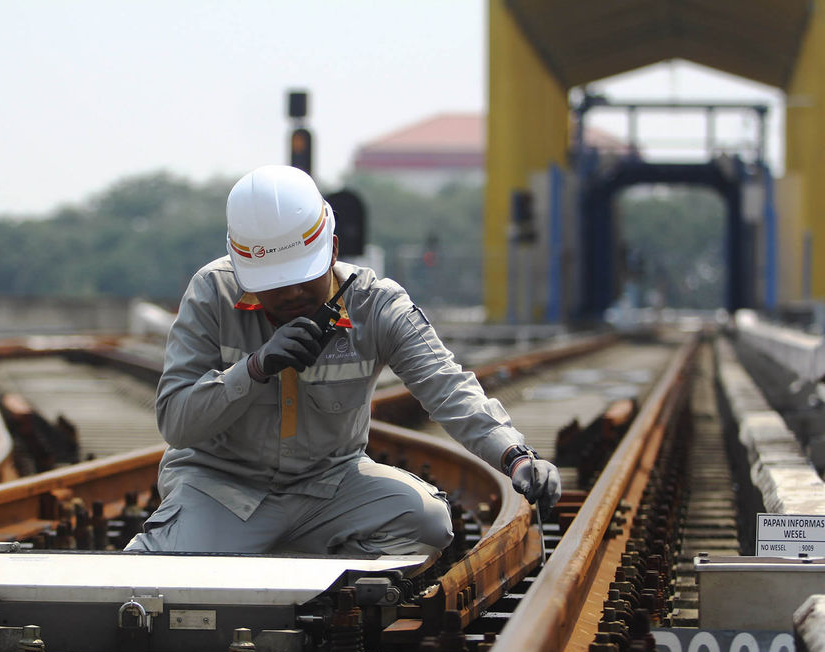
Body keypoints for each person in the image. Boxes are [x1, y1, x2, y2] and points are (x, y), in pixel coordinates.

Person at [125, 165, 560, 559]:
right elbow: (177, 424)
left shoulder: (376, 305)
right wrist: (254, 370)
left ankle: (294, 566)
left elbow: (448, 387)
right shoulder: (212, 294)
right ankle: (277, 556)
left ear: (332, 249)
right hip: (224, 493)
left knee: (427, 522)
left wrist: (515, 456)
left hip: (329, 489)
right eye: (275, 284)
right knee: (153, 571)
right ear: (242, 270)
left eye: (302, 277)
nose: (291, 294)